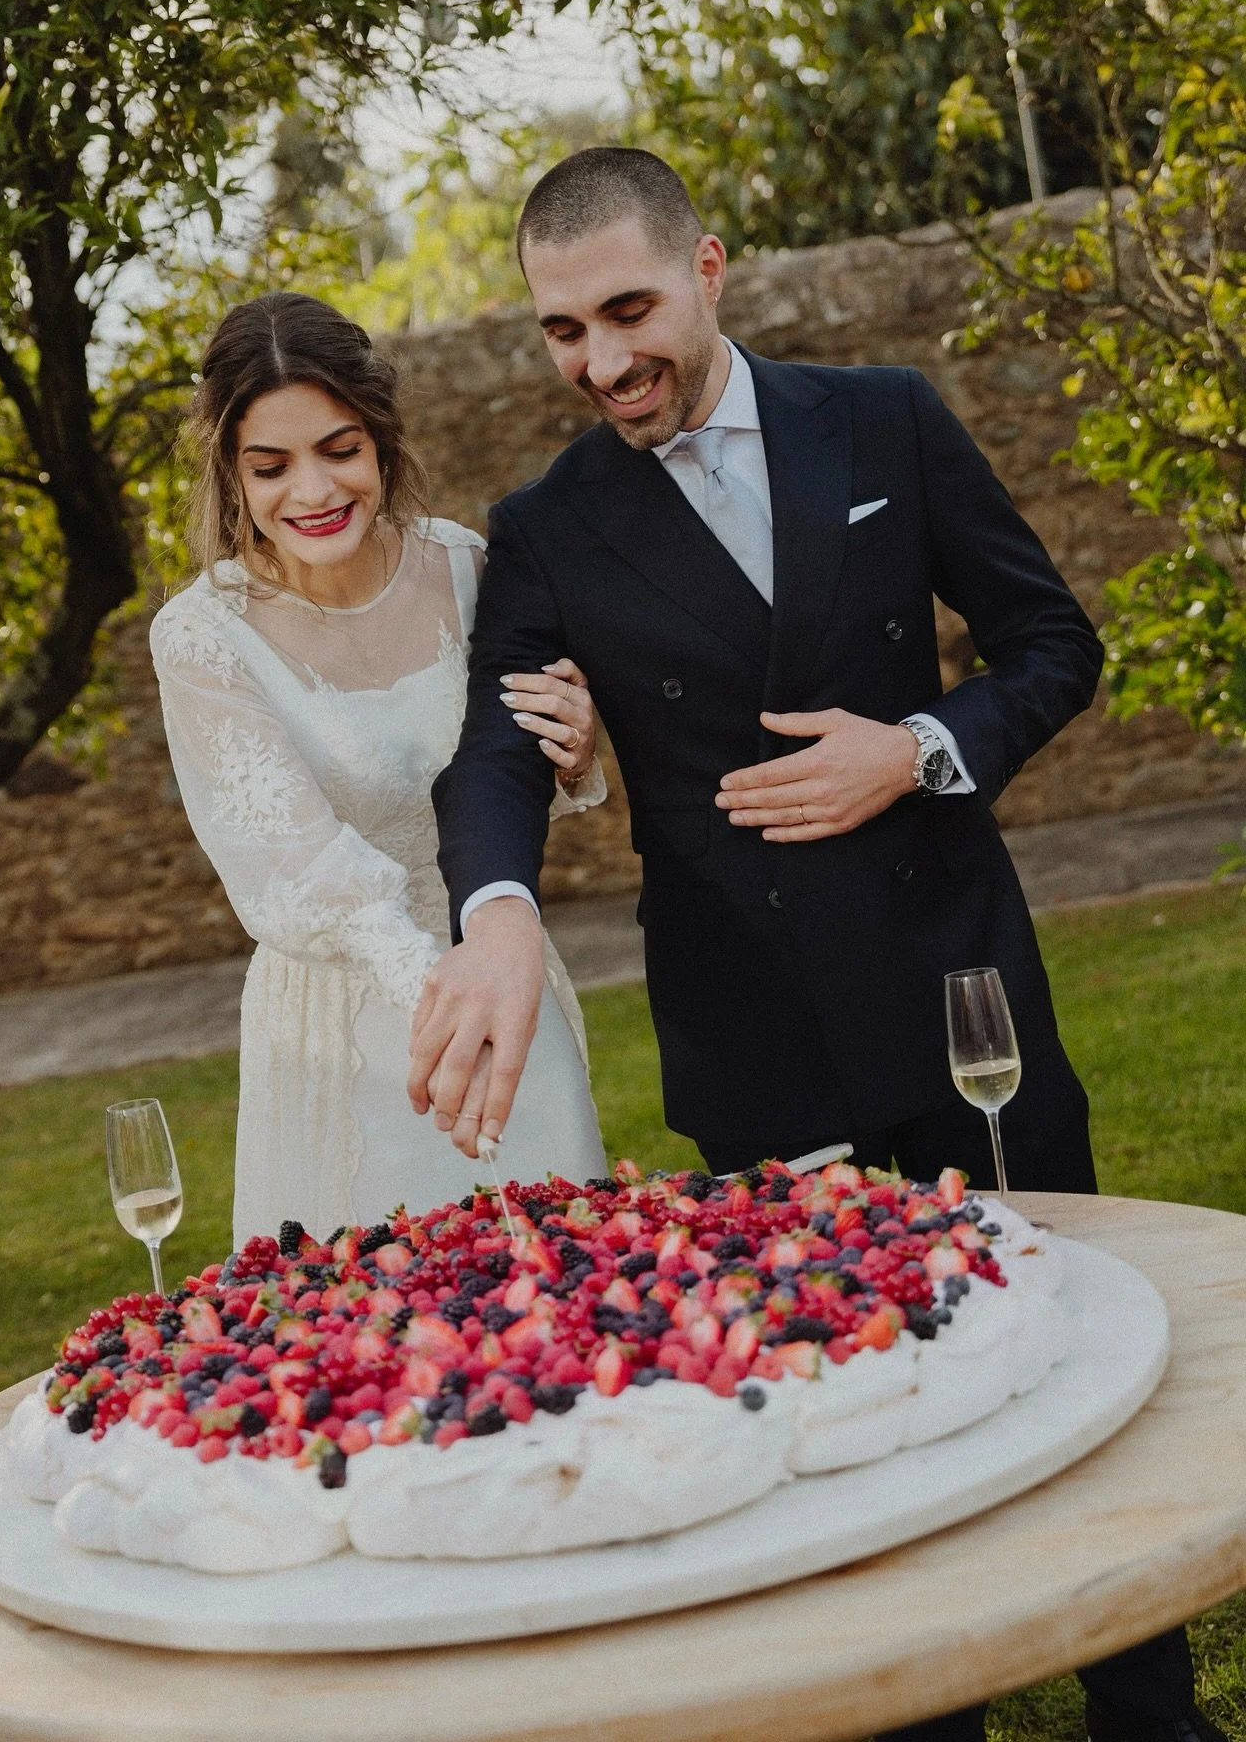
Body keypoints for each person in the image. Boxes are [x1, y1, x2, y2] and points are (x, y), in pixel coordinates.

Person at [413, 148, 1222, 1742]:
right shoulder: (548, 528)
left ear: (710, 266)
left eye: (629, 311)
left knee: (1064, 1351)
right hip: (759, 1033)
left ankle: (1149, 1714)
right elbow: (494, 754)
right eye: (563, 332)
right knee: (837, 1412)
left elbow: (1053, 645)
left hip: (960, 987)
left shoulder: (886, 420)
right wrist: (494, 910)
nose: (602, 362)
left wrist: (913, 749)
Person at [150, 291, 607, 1250]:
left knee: (568, 1280)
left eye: (340, 450)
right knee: (367, 1304)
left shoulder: (468, 568)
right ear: (230, 473)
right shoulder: (202, 636)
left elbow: (504, 783)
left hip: (504, 978)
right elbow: (300, 866)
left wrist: (570, 753)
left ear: (382, 441)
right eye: (271, 467)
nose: (312, 491)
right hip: (346, 1032)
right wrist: (455, 1008)